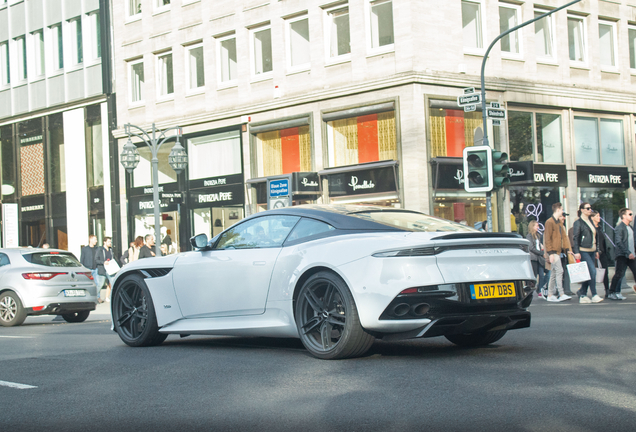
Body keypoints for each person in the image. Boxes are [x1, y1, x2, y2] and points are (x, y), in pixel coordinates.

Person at [572, 203, 603, 303]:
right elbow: (575, 238)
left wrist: (597, 249)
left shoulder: (590, 221)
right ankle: (594, 294)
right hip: (583, 250)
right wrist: (576, 252)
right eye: (587, 208)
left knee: (588, 273)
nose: (590, 210)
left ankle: (582, 293)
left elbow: (596, 237)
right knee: (592, 271)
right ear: (582, 210)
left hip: (592, 250)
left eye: (590, 208)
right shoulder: (578, 222)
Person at [544, 203, 572, 302]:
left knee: (554, 273)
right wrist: (550, 253)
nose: (562, 211)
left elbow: (563, 237)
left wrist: (567, 249)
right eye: (562, 209)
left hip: (557, 251)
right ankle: (561, 293)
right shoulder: (549, 222)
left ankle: (550, 294)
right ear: (558, 210)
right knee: (559, 271)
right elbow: (547, 238)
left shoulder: (558, 223)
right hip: (554, 252)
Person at [607, 208, 636, 300]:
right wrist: (628, 252)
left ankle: (615, 292)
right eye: (630, 214)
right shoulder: (620, 228)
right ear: (623, 216)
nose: (632, 216)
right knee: (619, 274)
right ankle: (612, 292)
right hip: (622, 255)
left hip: (631, 255)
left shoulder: (630, 227)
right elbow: (619, 242)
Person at [591, 211, 611, 298]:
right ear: (592, 218)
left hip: (603, 253)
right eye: (597, 216)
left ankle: (607, 290)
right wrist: (596, 251)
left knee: (605, 271)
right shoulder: (591, 228)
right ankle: (587, 290)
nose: (599, 217)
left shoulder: (600, 228)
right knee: (592, 272)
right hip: (594, 252)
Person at [526, 220, 546, 298]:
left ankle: (539, 289)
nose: (538, 227)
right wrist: (540, 253)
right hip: (534, 257)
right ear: (532, 226)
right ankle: (531, 289)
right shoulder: (529, 236)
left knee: (541, 275)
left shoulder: (537, 236)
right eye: (536, 226)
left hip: (539, 258)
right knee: (534, 274)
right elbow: (531, 247)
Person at [94, 237, 114, 302]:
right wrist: (103, 262)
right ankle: (95, 297)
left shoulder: (111, 250)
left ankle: (110, 297)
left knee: (112, 282)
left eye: (110, 242)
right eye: (108, 242)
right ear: (104, 242)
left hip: (110, 269)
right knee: (100, 284)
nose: (110, 243)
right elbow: (96, 260)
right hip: (102, 269)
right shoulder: (100, 250)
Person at [80, 235, 99, 300]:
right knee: (87, 283)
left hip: (95, 268)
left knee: (97, 283)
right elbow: (82, 259)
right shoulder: (85, 249)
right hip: (87, 268)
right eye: (95, 239)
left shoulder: (97, 249)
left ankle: (97, 297)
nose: (96, 241)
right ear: (90, 240)